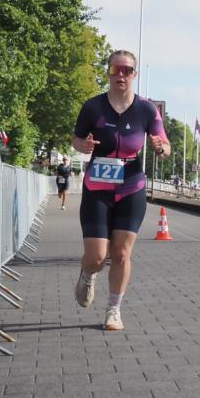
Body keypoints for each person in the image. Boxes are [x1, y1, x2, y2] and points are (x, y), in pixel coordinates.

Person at [71, 50, 170, 330]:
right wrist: (83, 146)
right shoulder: (93, 107)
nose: (121, 75)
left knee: (122, 254)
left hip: (131, 184)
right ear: (108, 73)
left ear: (134, 75)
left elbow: (165, 144)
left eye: (127, 70)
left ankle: (114, 310)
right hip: (98, 186)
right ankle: (88, 275)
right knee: (97, 257)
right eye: (116, 70)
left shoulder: (147, 110)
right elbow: (76, 139)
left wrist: (160, 147)